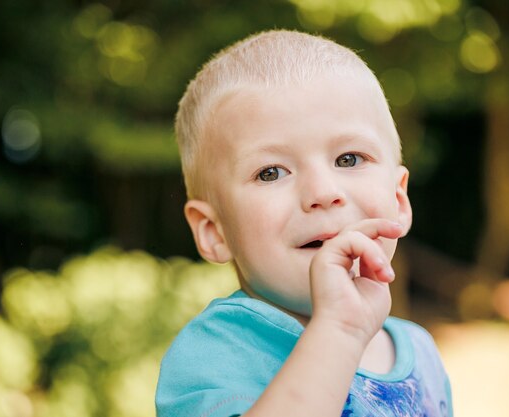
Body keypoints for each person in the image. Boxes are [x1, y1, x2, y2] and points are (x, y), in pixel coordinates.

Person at [156, 29, 453, 417]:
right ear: (214, 232)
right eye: (271, 172)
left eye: (349, 159)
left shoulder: (422, 354)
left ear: (398, 201)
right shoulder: (218, 353)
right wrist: (340, 331)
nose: (322, 191)